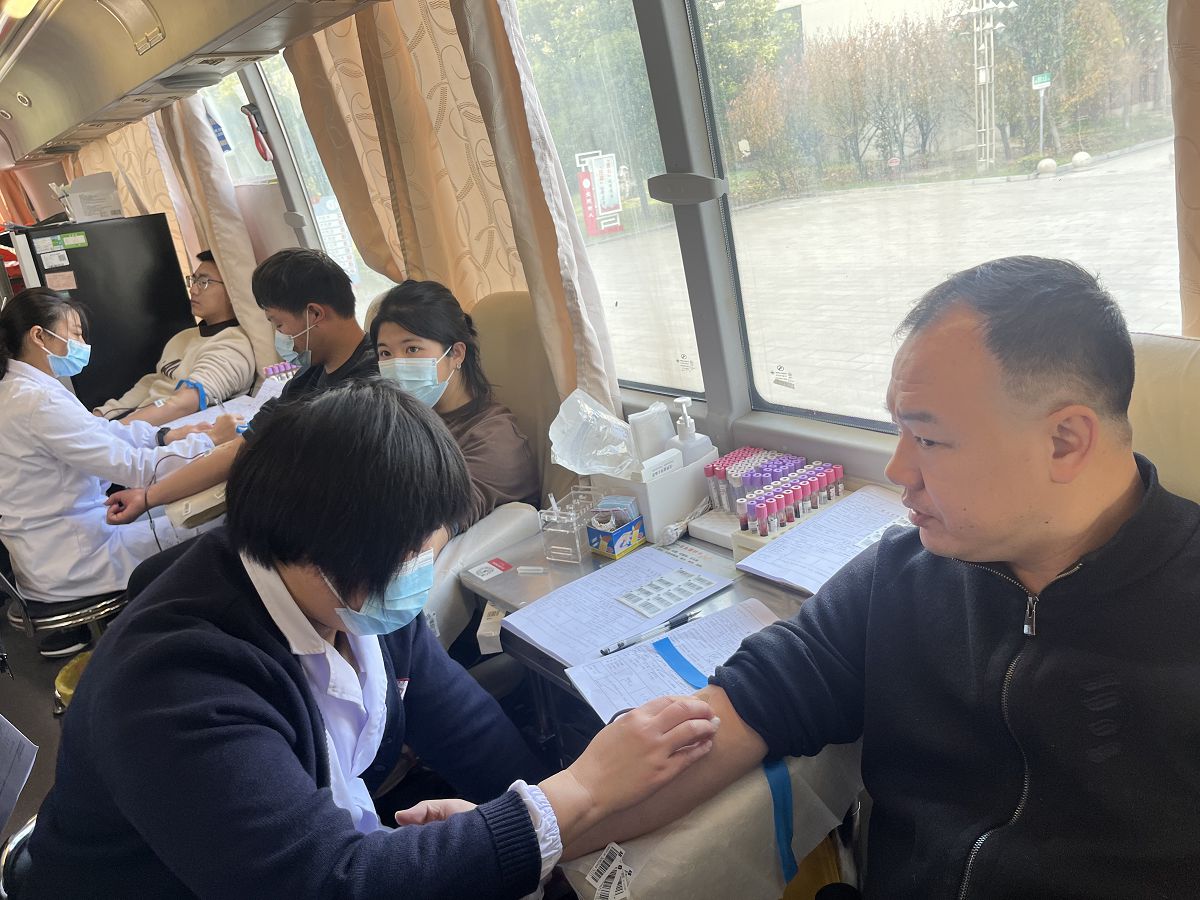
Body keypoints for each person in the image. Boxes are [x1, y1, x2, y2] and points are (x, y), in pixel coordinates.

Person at [560, 257, 1200, 897]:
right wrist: (542, 825)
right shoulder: (903, 577)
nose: (897, 470)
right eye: (898, 432)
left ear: (1065, 441)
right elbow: (743, 709)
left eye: (929, 440)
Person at [20, 379, 719, 898]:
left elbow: (468, 729)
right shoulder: (173, 687)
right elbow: (329, 884)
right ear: (320, 546)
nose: (419, 569)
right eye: (408, 553)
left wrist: (560, 823)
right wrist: (577, 794)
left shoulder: (355, 600)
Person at [0, 288, 238, 657]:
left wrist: (166, 435)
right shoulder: (37, 401)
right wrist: (210, 442)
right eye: (76, 334)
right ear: (39, 336)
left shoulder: (21, 390)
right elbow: (135, 468)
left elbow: (103, 433)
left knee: (176, 507)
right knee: (218, 520)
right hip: (76, 557)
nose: (83, 345)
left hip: (49, 549)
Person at [105, 247, 377, 527]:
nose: (280, 337)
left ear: (314, 314)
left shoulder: (371, 387)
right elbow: (244, 445)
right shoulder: (309, 375)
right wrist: (148, 497)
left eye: (279, 324)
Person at [371, 280, 540, 526]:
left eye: (412, 349)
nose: (397, 365)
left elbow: (436, 524)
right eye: (385, 353)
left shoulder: (492, 439)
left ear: (456, 354)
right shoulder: (397, 420)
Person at [93, 250, 255, 424]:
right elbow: (151, 384)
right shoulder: (183, 337)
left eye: (204, 282)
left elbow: (183, 404)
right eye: (194, 280)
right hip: (134, 423)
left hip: (166, 431)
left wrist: (116, 430)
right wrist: (102, 416)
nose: (193, 290)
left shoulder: (233, 346)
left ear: (232, 291)